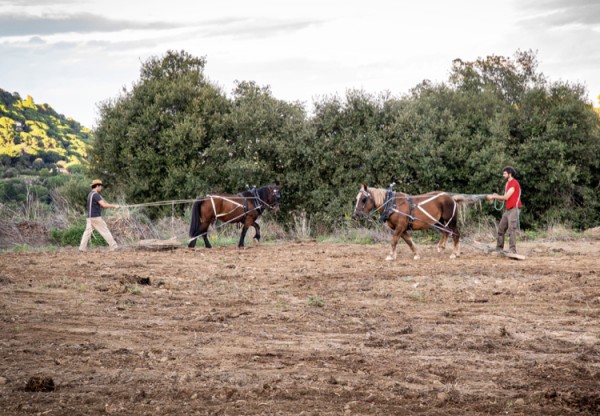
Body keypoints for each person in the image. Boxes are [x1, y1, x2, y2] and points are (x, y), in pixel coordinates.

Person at [486, 166, 522, 254]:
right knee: (501, 229)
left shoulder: (514, 183)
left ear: (510, 174)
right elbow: (503, 197)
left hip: (514, 209)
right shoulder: (507, 184)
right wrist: (495, 195)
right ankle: (499, 249)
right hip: (508, 209)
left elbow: (506, 197)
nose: (503, 175)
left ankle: (512, 250)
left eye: (505, 173)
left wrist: (494, 196)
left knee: (511, 230)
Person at [79, 179, 120, 252]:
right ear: (97, 186)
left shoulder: (90, 194)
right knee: (105, 231)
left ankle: (82, 248)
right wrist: (114, 206)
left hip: (89, 217)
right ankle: (114, 246)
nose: (101, 188)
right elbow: (104, 205)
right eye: (100, 186)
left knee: (87, 233)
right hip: (95, 217)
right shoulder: (96, 195)